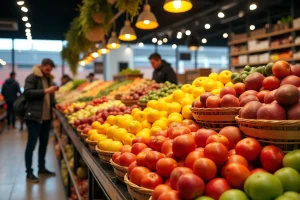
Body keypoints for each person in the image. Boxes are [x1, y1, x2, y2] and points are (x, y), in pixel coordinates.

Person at [24, 58, 58, 183]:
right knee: (31, 145)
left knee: (44, 144)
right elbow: (27, 93)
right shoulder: (32, 77)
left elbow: (50, 98)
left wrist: (56, 104)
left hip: (46, 118)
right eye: (47, 69)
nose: (49, 72)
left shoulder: (49, 79)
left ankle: (42, 168)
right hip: (34, 117)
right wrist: (46, 91)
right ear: (42, 66)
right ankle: (29, 172)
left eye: (50, 70)